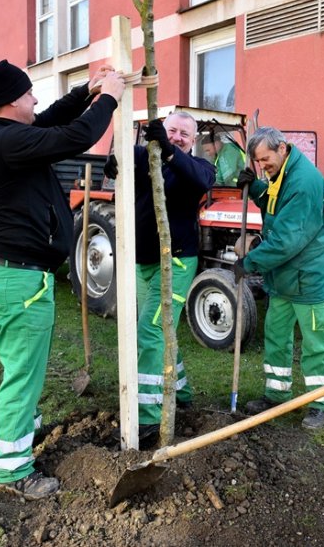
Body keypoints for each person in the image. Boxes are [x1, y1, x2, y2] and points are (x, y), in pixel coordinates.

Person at [0, 59, 125, 500]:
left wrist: (86, 92)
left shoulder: (6, 138)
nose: (35, 99)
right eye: (27, 94)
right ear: (8, 102)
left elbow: (49, 120)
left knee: (21, 370)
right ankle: (15, 470)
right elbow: (75, 135)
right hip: (19, 283)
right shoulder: (7, 143)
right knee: (22, 374)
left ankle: (16, 439)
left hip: (13, 278)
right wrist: (111, 96)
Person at [107, 111, 215, 448]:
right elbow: (119, 160)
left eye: (185, 133)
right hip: (143, 263)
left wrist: (169, 149)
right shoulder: (143, 156)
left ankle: (149, 419)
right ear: (160, 130)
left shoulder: (198, 167)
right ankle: (181, 391)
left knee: (150, 331)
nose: (178, 136)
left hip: (177, 262)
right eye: (172, 130)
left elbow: (201, 181)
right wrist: (113, 165)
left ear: (193, 140)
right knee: (162, 328)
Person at [235, 126, 324, 430]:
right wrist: (255, 187)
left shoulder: (304, 182)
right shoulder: (282, 173)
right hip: (283, 278)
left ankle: (320, 402)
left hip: (308, 278)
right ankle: (276, 394)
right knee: (277, 337)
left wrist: (249, 262)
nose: (263, 166)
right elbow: (275, 205)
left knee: (316, 344)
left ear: (282, 148)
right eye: (258, 163)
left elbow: (287, 240)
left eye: (266, 160)